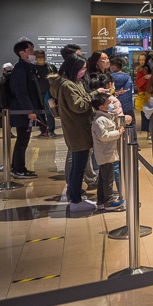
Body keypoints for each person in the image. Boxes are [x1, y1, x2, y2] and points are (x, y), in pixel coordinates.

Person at [49, 54, 99, 214]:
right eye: (82, 68)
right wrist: (93, 94)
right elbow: (79, 106)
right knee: (78, 166)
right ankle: (76, 199)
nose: (84, 71)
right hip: (78, 130)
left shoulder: (70, 83)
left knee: (79, 165)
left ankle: (75, 196)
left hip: (78, 129)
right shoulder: (68, 85)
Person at [8, 39, 43, 179]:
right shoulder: (20, 69)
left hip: (26, 110)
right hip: (22, 111)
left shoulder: (28, 67)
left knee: (23, 140)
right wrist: (29, 110)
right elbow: (21, 92)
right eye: (30, 50)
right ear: (22, 53)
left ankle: (18, 167)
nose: (33, 52)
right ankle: (18, 169)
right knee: (22, 140)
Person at [89, 93, 126, 211]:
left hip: (108, 152)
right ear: (101, 107)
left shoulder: (106, 117)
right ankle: (109, 201)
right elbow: (104, 136)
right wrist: (118, 133)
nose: (111, 105)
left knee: (103, 178)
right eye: (108, 104)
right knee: (108, 178)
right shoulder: (99, 120)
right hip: (105, 154)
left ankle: (101, 200)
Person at [35, 50, 57, 137]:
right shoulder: (33, 68)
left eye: (42, 56)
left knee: (50, 112)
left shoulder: (51, 67)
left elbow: (57, 80)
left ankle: (51, 130)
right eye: (38, 57)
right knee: (40, 113)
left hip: (50, 93)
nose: (40, 58)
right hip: (38, 94)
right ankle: (43, 130)